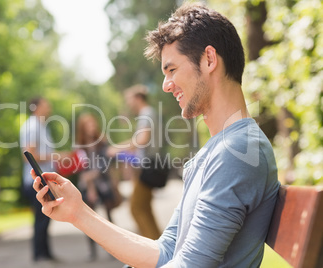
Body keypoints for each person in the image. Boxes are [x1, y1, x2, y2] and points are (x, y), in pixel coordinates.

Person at [31, 3, 280, 267]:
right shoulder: (220, 150)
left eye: (171, 70)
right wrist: (78, 213)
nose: (165, 85)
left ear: (209, 59)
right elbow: (168, 249)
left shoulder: (237, 153)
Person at [75, 113, 121, 260]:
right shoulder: (79, 147)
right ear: (82, 128)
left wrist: (113, 182)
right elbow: (82, 170)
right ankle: (92, 252)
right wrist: (90, 188)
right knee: (88, 218)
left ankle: (114, 249)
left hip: (103, 183)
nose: (91, 127)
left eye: (93, 123)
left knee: (109, 216)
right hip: (87, 185)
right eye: (88, 124)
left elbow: (107, 165)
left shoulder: (102, 143)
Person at [122, 85, 162, 240]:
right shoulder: (149, 113)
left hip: (148, 168)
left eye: (129, 100)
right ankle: (159, 244)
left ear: (138, 98)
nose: (129, 104)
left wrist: (117, 149)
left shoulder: (146, 114)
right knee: (145, 207)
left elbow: (142, 140)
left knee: (136, 207)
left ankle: (154, 250)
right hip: (149, 166)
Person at [20, 97, 56, 262]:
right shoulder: (32, 126)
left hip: (44, 179)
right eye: (45, 103)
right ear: (37, 107)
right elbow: (29, 155)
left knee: (45, 218)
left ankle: (45, 253)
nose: (49, 106)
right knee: (41, 218)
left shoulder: (41, 126)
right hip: (36, 180)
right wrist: (56, 156)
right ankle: (39, 254)